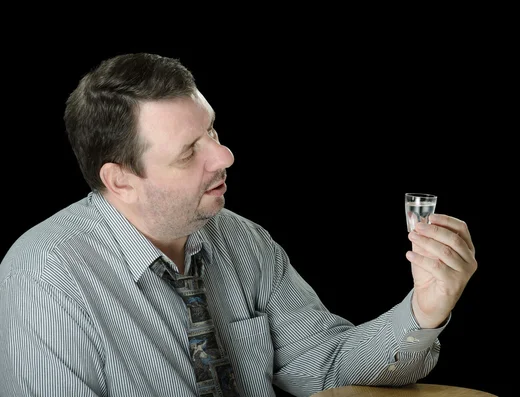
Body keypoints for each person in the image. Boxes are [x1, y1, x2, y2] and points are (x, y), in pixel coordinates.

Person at [0, 53, 478, 397]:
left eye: (212, 131)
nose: (225, 156)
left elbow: (328, 367)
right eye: (190, 152)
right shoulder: (46, 274)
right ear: (120, 180)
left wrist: (423, 310)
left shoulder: (241, 240)